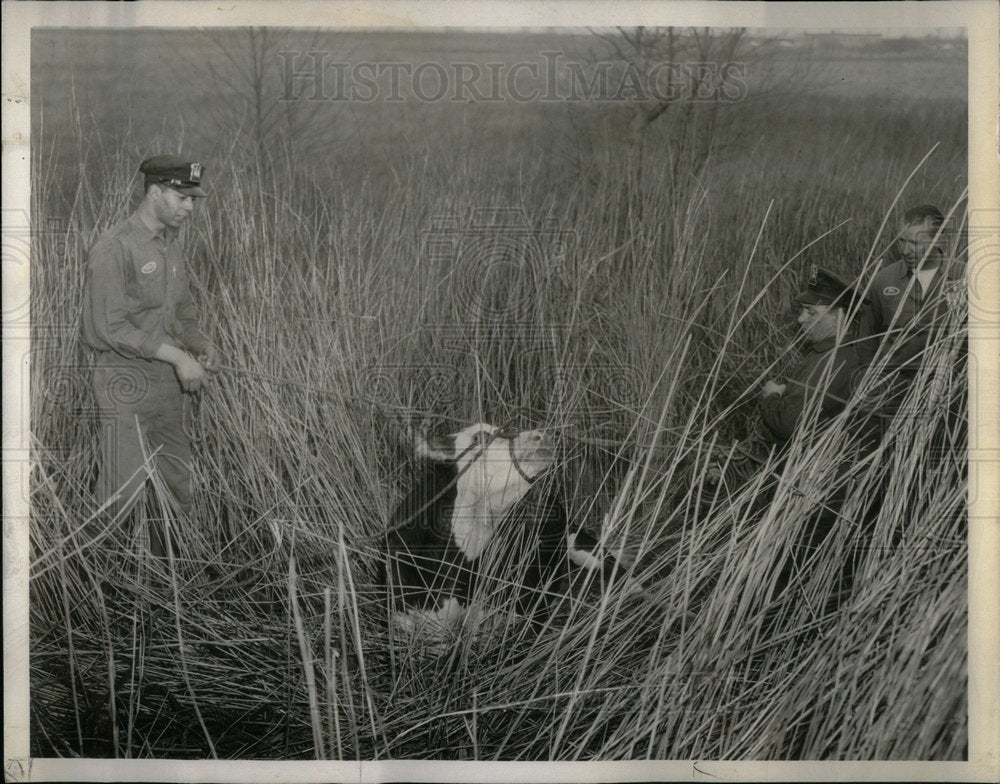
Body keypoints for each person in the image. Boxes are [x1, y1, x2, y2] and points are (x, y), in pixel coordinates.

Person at [81, 155, 217, 557]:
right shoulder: (114, 247)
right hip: (124, 383)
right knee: (121, 492)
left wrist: (201, 347)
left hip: (166, 388)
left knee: (176, 485)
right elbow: (109, 327)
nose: (190, 208)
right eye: (182, 197)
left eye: (194, 200)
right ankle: (103, 590)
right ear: (155, 192)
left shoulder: (170, 248)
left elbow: (182, 314)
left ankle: (164, 585)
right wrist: (178, 358)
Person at [856, 204, 965, 389]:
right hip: (891, 389)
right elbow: (867, 340)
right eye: (901, 241)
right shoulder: (883, 280)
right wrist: (871, 384)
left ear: (939, 240)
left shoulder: (963, 277)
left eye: (915, 243)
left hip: (948, 393)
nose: (905, 250)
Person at [760, 266, 862, 444]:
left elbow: (788, 424)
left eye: (811, 312)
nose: (800, 319)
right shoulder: (832, 351)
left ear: (838, 316)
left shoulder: (832, 361)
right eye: (802, 310)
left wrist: (772, 396)